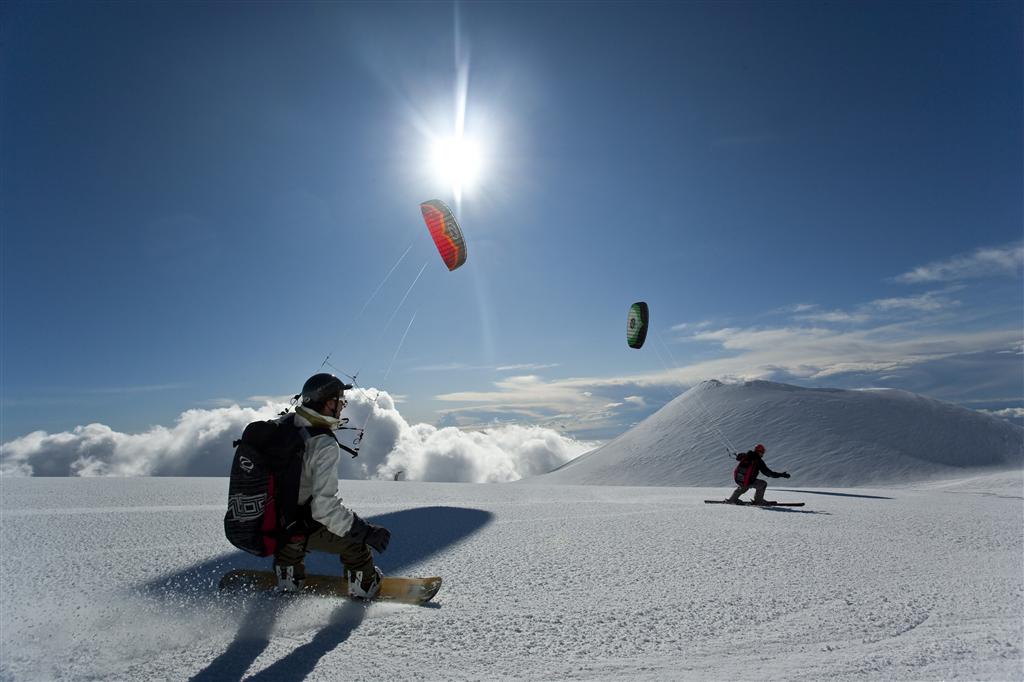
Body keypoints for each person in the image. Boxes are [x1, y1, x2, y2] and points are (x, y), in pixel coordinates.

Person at [272, 372, 391, 598]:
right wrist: (364, 532)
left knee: (292, 532)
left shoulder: (282, 427)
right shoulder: (322, 443)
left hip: (271, 522)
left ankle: (288, 576)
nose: (342, 407)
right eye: (340, 402)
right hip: (297, 524)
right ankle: (364, 586)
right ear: (328, 403)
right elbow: (324, 509)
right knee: (356, 544)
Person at [726, 443, 790, 505]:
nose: (763, 454)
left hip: (738, 478)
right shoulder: (758, 461)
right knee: (763, 484)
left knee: (744, 486)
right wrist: (781, 475)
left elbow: (738, 457)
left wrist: (739, 455)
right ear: (759, 451)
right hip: (748, 480)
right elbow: (768, 473)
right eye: (762, 452)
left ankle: (732, 499)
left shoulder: (746, 455)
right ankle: (758, 501)